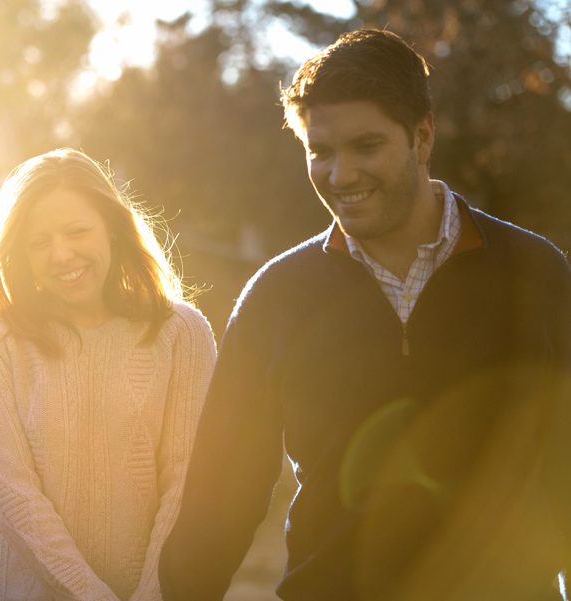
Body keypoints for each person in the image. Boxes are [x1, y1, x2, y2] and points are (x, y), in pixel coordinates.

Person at [159, 28, 570, 601]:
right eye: (320, 151)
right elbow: (222, 489)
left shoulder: (537, 274)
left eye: (366, 146)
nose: (340, 174)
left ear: (422, 136)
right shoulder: (276, 296)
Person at [0, 148, 216, 601]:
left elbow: (187, 482)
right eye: (39, 242)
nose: (61, 254)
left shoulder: (182, 333)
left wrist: (154, 592)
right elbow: (12, 495)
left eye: (77, 232)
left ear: (113, 229)